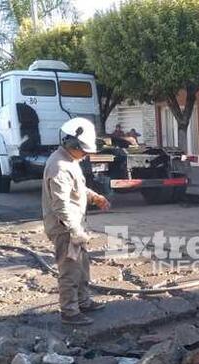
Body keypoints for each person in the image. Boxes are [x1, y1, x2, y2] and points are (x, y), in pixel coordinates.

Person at [42, 117, 111, 326]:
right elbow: (60, 205)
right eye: (84, 150)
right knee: (70, 269)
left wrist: (94, 197)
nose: (86, 155)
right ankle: (70, 311)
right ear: (72, 144)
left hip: (75, 226)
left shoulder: (70, 161)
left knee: (82, 266)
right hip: (65, 229)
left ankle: (83, 300)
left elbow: (78, 189)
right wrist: (74, 230)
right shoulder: (59, 167)